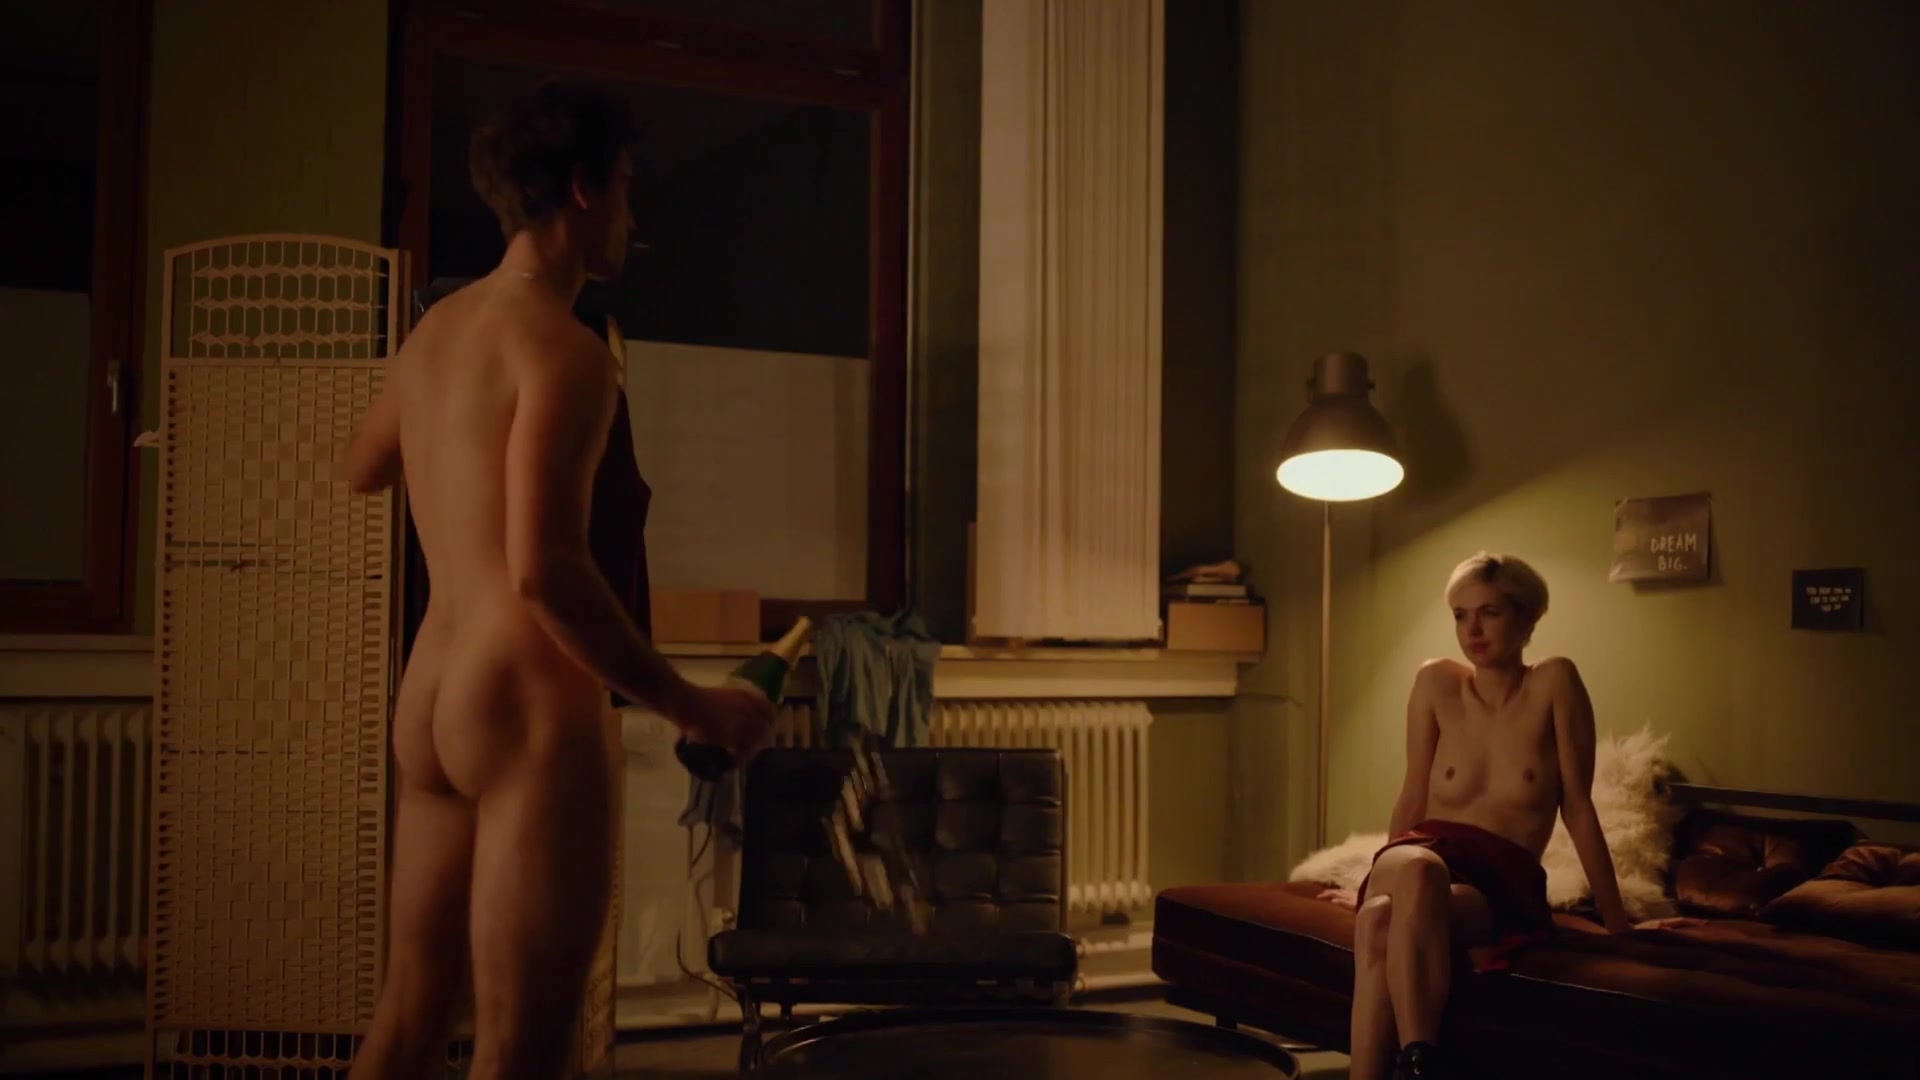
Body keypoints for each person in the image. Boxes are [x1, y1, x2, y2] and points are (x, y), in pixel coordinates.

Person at [341, 83, 775, 1079]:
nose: (631, 213)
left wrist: (447, 430)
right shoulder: (568, 353)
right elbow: (543, 572)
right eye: (625, 186)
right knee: (519, 1049)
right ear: (583, 190)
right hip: (526, 702)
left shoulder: (434, 333)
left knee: (404, 1026)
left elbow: (361, 466)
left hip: (431, 694)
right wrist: (689, 704)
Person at [1317, 552, 1697, 1080]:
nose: (1471, 630)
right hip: (1420, 854)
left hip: (1499, 882)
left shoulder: (1555, 683)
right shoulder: (1435, 683)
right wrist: (1371, 879)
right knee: (1413, 873)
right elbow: (1412, 795)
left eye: (1489, 613)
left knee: (1380, 919)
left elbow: (1578, 806)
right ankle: (1421, 1060)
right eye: (1460, 615)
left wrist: (1618, 923)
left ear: (1527, 619)